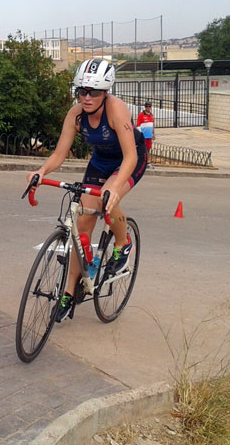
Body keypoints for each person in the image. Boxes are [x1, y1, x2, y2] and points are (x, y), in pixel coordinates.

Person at [26, 59, 147, 322]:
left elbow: (130, 158)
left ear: (106, 92)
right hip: (101, 161)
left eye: (93, 92)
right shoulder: (76, 114)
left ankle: (123, 242)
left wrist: (114, 187)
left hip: (130, 158)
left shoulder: (116, 110)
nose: (87, 97)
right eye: (81, 91)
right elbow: (59, 154)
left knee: (107, 201)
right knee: (81, 226)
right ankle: (69, 293)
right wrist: (41, 172)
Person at [136, 101, 154, 168]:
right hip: (144, 135)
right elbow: (138, 125)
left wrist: (153, 134)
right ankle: (145, 161)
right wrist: (140, 134)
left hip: (149, 135)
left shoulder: (151, 115)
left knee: (148, 148)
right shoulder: (141, 115)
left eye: (149, 106)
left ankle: (148, 161)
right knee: (144, 148)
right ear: (145, 107)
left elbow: (152, 125)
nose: (148, 108)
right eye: (147, 106)